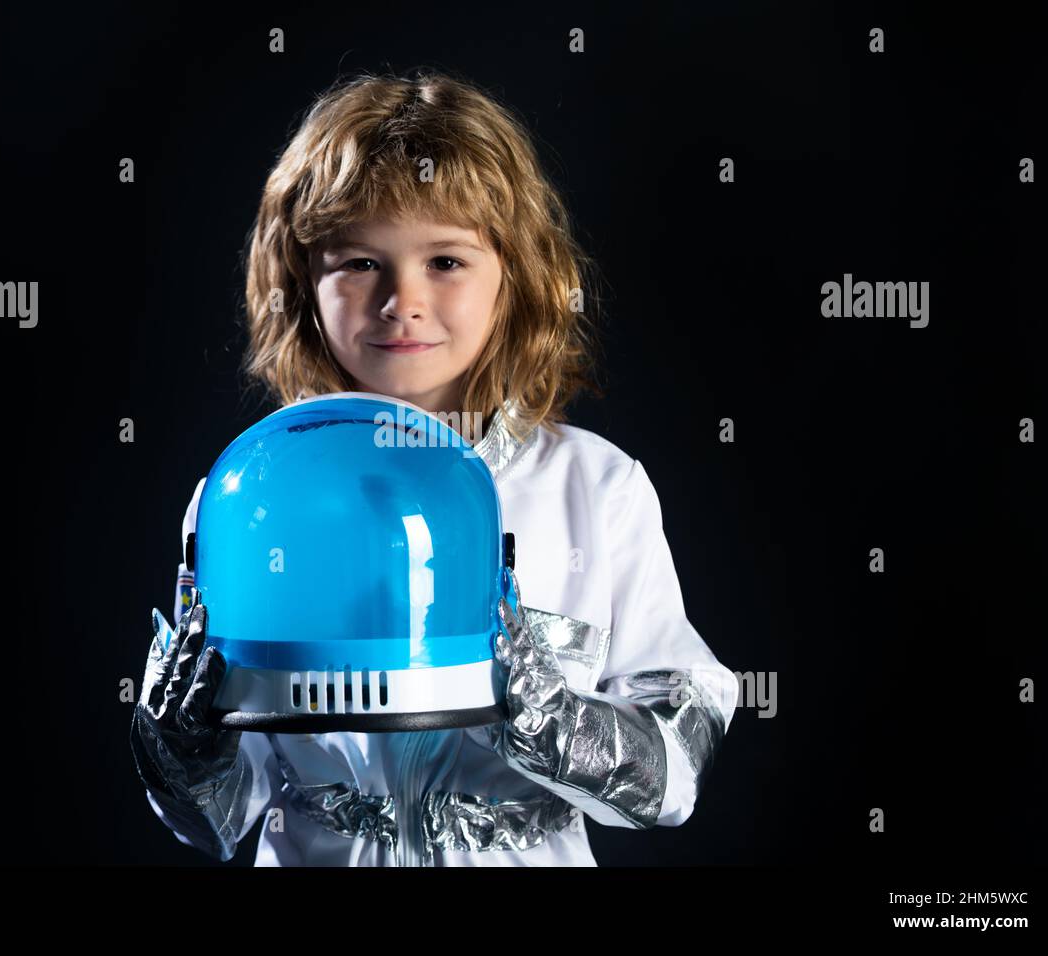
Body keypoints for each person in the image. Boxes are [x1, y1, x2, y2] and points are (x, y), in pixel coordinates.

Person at [130, 70, 740, 866]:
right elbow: (219, 818)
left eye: (446, 261)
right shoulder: (248, 498)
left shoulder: (597, 489)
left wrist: (549, 717)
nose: (401, 300)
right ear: (301, 282)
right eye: (359, 262)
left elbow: (677, 772)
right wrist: (182, 742)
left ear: (514, 277)